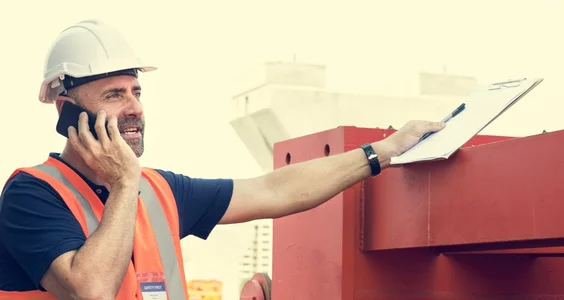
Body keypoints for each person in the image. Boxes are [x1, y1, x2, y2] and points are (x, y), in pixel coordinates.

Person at [0, 20, 445, 300]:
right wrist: (122, 184)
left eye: (137, 92)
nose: (134, 108)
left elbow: (273, 189)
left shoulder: (158, 191)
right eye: (114, 95)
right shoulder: (29, 196)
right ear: (66, 111)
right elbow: (91, 290)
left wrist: (379, 154)